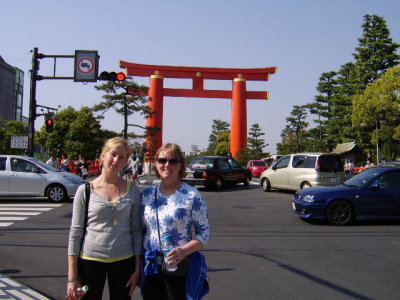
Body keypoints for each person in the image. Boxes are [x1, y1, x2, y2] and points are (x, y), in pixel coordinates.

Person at [67, 137, 142, 300]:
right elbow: (76, 232)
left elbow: (136, 230)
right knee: (85, 296)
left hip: (124, 262)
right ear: (103, 156)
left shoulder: (133, 190)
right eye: (113, 154)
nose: (116, 160)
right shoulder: (85, 190)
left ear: (126, 162)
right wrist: (72, 277)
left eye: (122, 157)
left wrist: (137, 268)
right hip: (89, 262)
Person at [141, 143, 210, 300]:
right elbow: (140, 229)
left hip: (178, 266)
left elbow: (204, 233)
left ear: (180, 165)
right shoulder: (146, 194)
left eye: (173, 161)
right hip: (151, 266)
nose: (167, 165)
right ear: (156, 164)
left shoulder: (192, 195)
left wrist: (184, 251)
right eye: (162, 160)